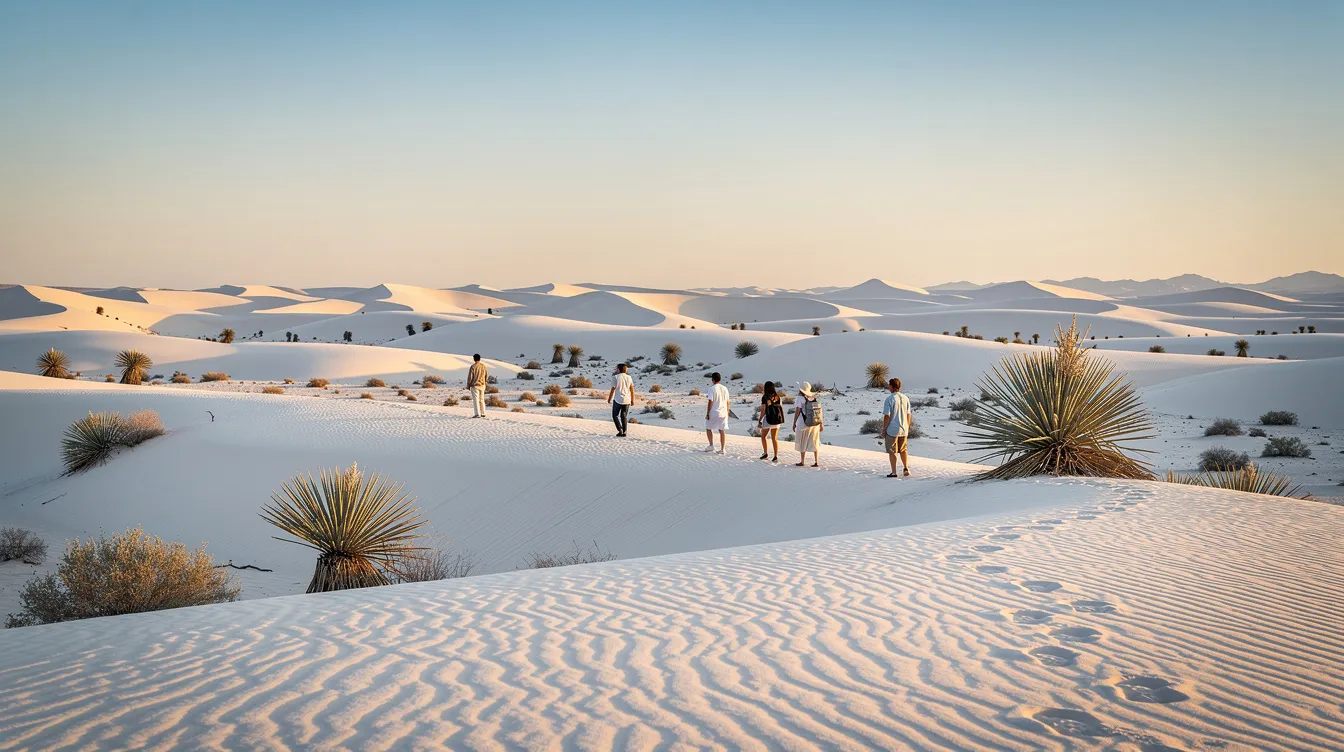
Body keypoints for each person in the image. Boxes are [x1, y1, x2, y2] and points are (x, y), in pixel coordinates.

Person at [882, 377, 912, 477]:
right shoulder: (906, 398)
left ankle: (894, 472)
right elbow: (908, 414)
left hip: (892, 429)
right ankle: (906, 468)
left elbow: (887, 416)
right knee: (903, 449)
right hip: (904, 428)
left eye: (889, 385)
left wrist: (884, 429)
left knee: (892, 451)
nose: (888, 387)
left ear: (892, 386)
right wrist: (907, 426)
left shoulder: (889, 399)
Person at [792, 381, 823, 466]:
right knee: (814, 441)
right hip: (814, 423)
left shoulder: (800, 398)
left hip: (804, 423)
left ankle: (802, 461)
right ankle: (816, 461)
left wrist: (794, 423)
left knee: (802, 441)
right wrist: (821, 424)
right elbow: (819, 411)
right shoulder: (813, 397)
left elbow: (797, 411)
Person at [606, 363, 636, 437]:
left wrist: (609, 399)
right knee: (624, 416)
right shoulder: (629, 377)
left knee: (615, 415)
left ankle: (620, 430)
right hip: (627, 400)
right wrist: (632, 400)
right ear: (625, 370)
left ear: (618, 369)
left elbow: (613, 389)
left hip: (618, 399)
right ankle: (624, 432)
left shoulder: (616, 377)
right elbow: (632, 389)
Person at [704, 372, 730, 453]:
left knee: (708, 428)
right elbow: (728, 402)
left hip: (714, 412)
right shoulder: (725, 388)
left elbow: (710, 401)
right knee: (721, 430)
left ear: (712, 379)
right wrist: (727, 411)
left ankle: (711, 445)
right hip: (723, 412)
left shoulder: (712, 389)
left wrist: (708, 413)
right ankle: (722, 449)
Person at [757, 381, 784, 461]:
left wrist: (760, 420)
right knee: (774, 439)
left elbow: (763, 410)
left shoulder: (765, 397)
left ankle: (765, 453)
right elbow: (780, 408)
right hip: (776, 420)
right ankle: (775, 456)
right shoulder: (778, 397)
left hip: (768, 419)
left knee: (763, 437)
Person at [466, 353, 488, 418]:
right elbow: (486, 375)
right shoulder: (483, 366)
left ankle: (477, 414)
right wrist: (485, 382)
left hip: (475, 385)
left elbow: (470, 377)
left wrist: (468, 385)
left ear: (474, 359)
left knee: (476, 400)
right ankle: (483, 413)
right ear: (479, 359)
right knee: (482, 399)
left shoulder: (473, 367)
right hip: (482, 385)